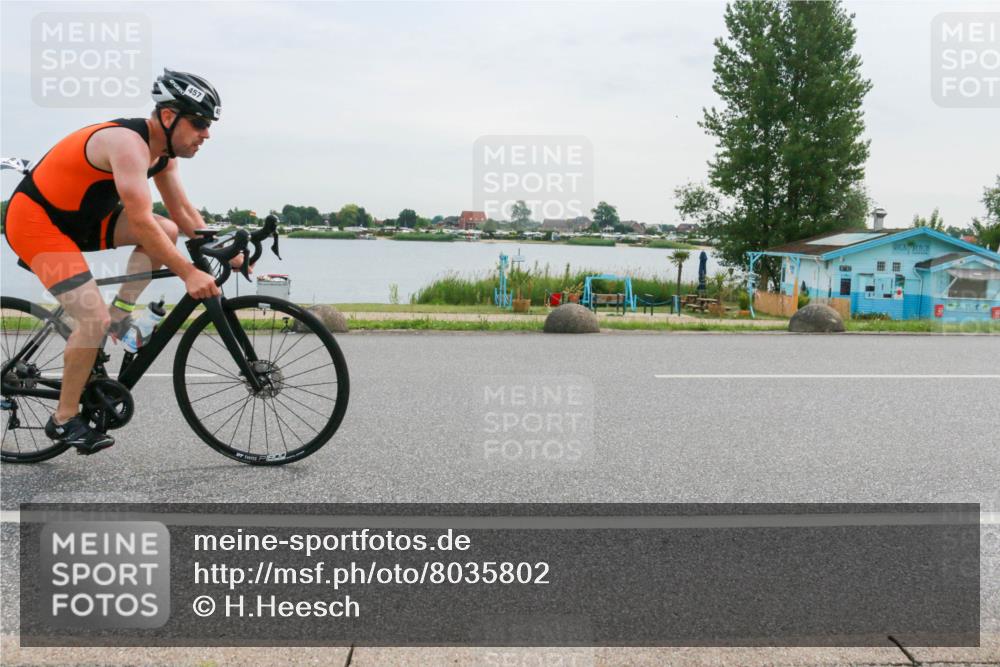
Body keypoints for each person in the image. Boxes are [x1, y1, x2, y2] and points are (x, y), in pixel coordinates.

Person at [3, 69, 241, 454]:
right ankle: (63, 419)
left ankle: (121, 314)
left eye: (209, 125)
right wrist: (188, 273)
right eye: (199, 123)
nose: (206, 134)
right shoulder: (127, 144)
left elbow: (181, 212)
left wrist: (224, 249)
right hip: (37, 222)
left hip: (83, 221)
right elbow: (141, 221)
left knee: (167, 229)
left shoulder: (163, 157)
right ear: (169, 117)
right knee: (91, 319)